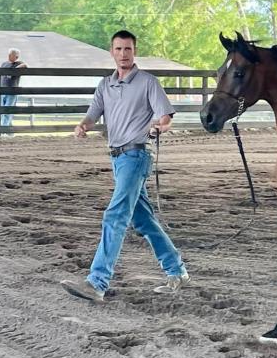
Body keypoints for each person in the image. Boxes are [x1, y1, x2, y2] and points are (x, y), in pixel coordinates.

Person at [60, 29, 189, 303]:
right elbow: (93, 115)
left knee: (116, 215)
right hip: (117, 158)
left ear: (134, 51)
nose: (123, 54)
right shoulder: (105, 85)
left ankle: (97, 282)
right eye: (118, 49)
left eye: (127, 49)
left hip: (136, 156)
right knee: (143, 220)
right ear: (111, 52)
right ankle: (176, 270)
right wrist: (83, 126)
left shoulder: (148, 82)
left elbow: (165, 116)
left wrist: (160, 127)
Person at [0, 47, 27, 132]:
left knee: (8, 110)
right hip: (2, 90)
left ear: (16, 57)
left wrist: (14, 70)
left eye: (12, 55)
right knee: (2, 110)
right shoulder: (4, 64)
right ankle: (8, 131)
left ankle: (3, 130)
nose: (9, 56)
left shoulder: (18, 63)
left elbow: (25, 65)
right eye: (9, 54)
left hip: (12, 91)